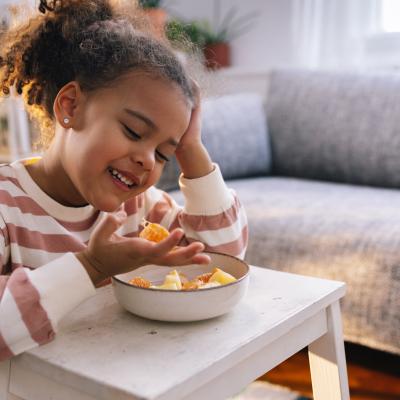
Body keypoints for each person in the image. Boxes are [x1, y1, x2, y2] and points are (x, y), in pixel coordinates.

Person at [0, 0, 248, 362]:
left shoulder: (137, 209)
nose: (148, 160)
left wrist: (191, 148)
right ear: (70, 106)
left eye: (163, 153)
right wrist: (91, 267)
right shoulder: (7, 205)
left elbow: (221, 262)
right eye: (134, 131)